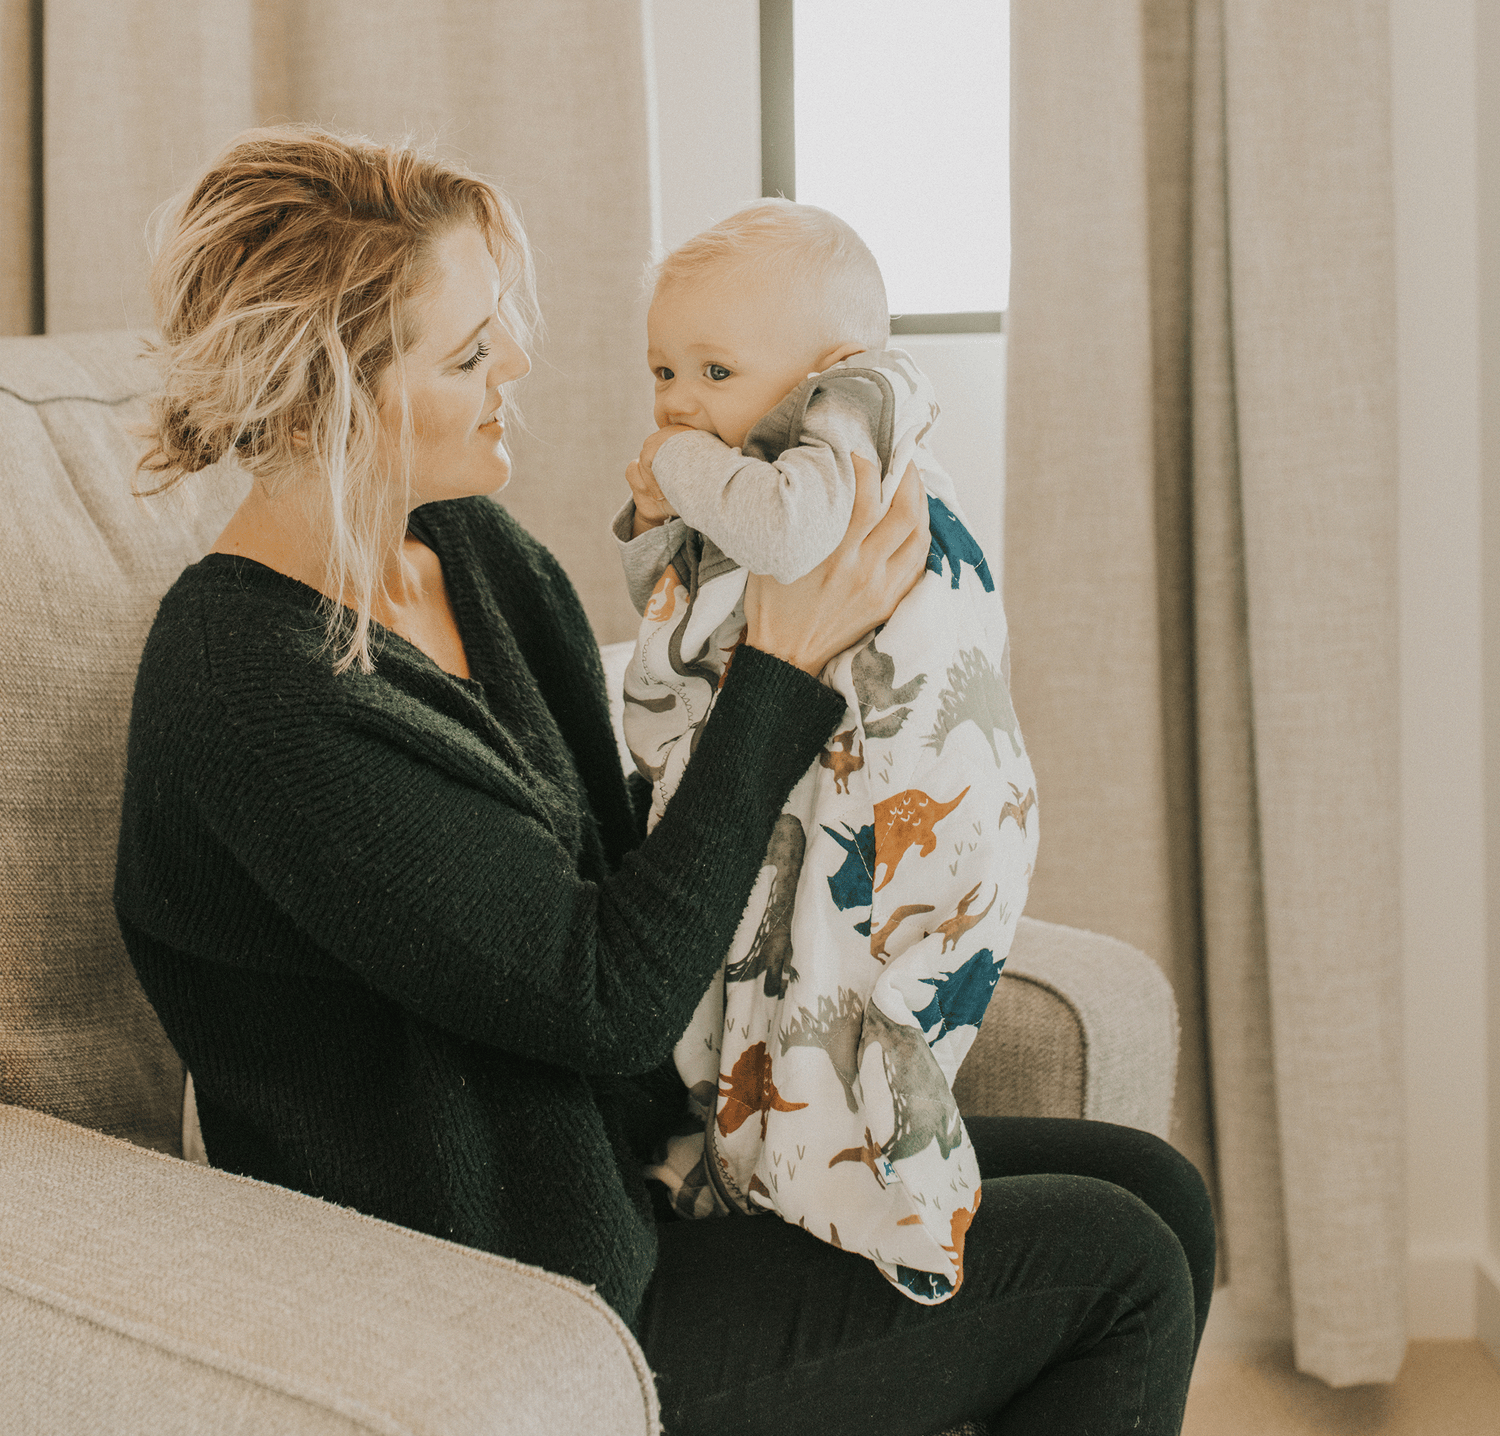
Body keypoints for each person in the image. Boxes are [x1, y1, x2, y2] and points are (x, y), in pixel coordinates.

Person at [114, 124, 1213, 1436]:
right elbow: (607, 1001)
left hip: (648, 1170)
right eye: (468, 354)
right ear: (320, 400)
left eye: (500, 326)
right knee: (1121, 1271)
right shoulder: (247, 692)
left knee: (1158, 1189)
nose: (518, 364)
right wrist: (780, 668)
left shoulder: (472, 553)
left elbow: (632, 851)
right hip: (516, 1296)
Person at [612, 200, 1038, 1308]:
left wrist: (674, 463)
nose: (679, 402)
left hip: (901, 775)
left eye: (714, 371)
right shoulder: (755, 455)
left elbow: (788, 535)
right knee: (761, 976)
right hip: (799, 758)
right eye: (663, 371)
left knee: (843, 977)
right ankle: (749, 1160)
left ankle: (848, 1174)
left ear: (830, 366)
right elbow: (677, 602)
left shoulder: (858, 411)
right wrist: (658, 523)